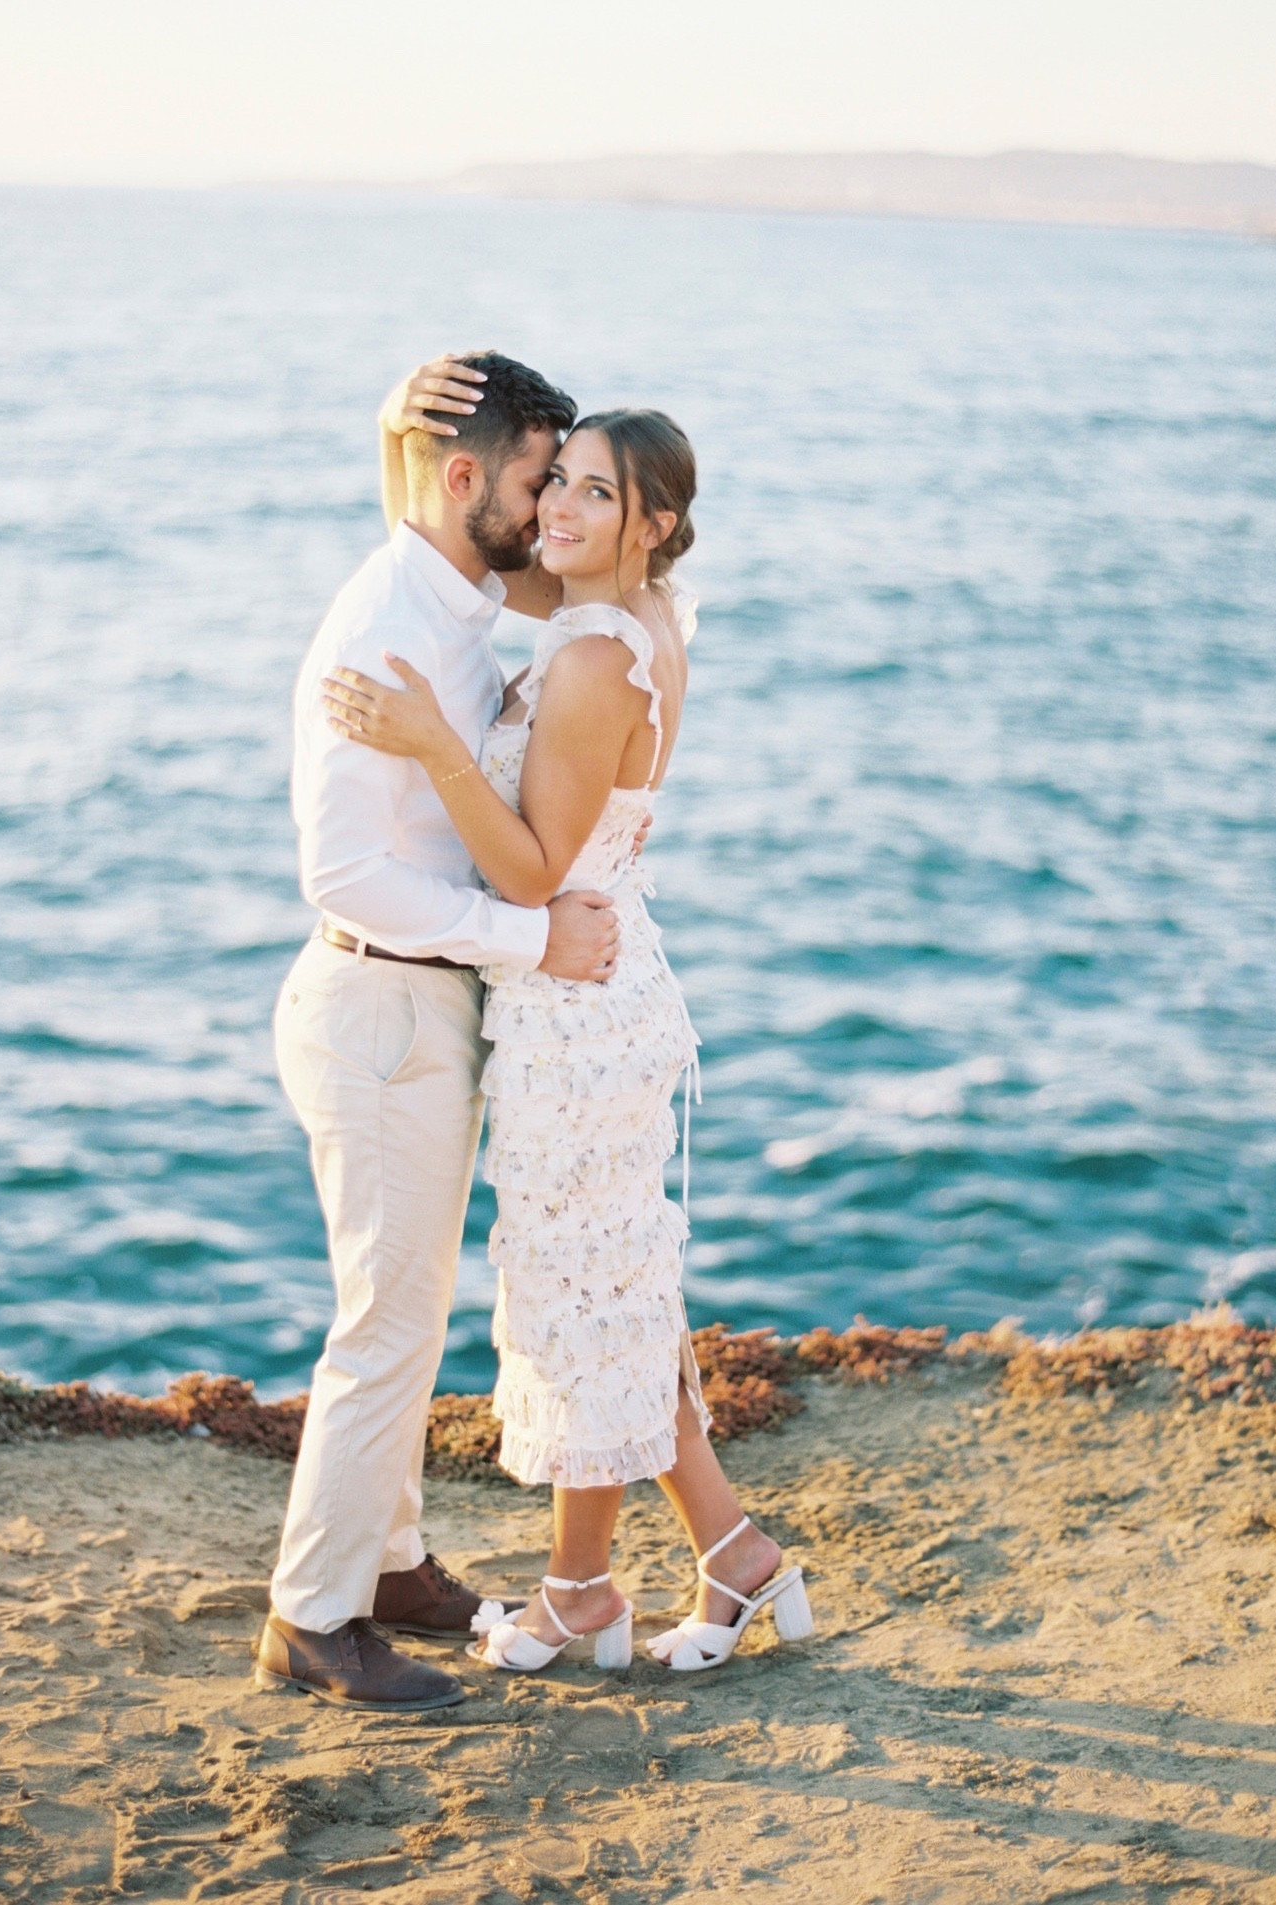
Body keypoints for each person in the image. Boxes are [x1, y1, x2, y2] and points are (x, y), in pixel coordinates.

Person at [322, 360, 814, 1675]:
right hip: (590, 988)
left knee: (588, 1295)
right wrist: (397, 433)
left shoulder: (596, 656)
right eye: (556, 480)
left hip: (573, 993)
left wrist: (432, 737)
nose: (560, 506)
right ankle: (719, 1559)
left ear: (654, 520)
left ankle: (589, 1585)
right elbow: (443, 556)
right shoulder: (625, 612)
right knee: (610, 1291)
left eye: (595, 490)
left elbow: (532, 870)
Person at [255, 353, 626, 1713]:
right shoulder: (383, 633)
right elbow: (342, 875)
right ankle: (311, 1617)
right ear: (466, 477)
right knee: (385, 1324)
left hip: (420, 1002)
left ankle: (391, 1557)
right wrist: (532, 940)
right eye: (534, 479)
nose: (546, 509)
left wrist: (383, 436)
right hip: (376, 999)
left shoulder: (453, 587)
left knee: (411, 1312)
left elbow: (489, 543)